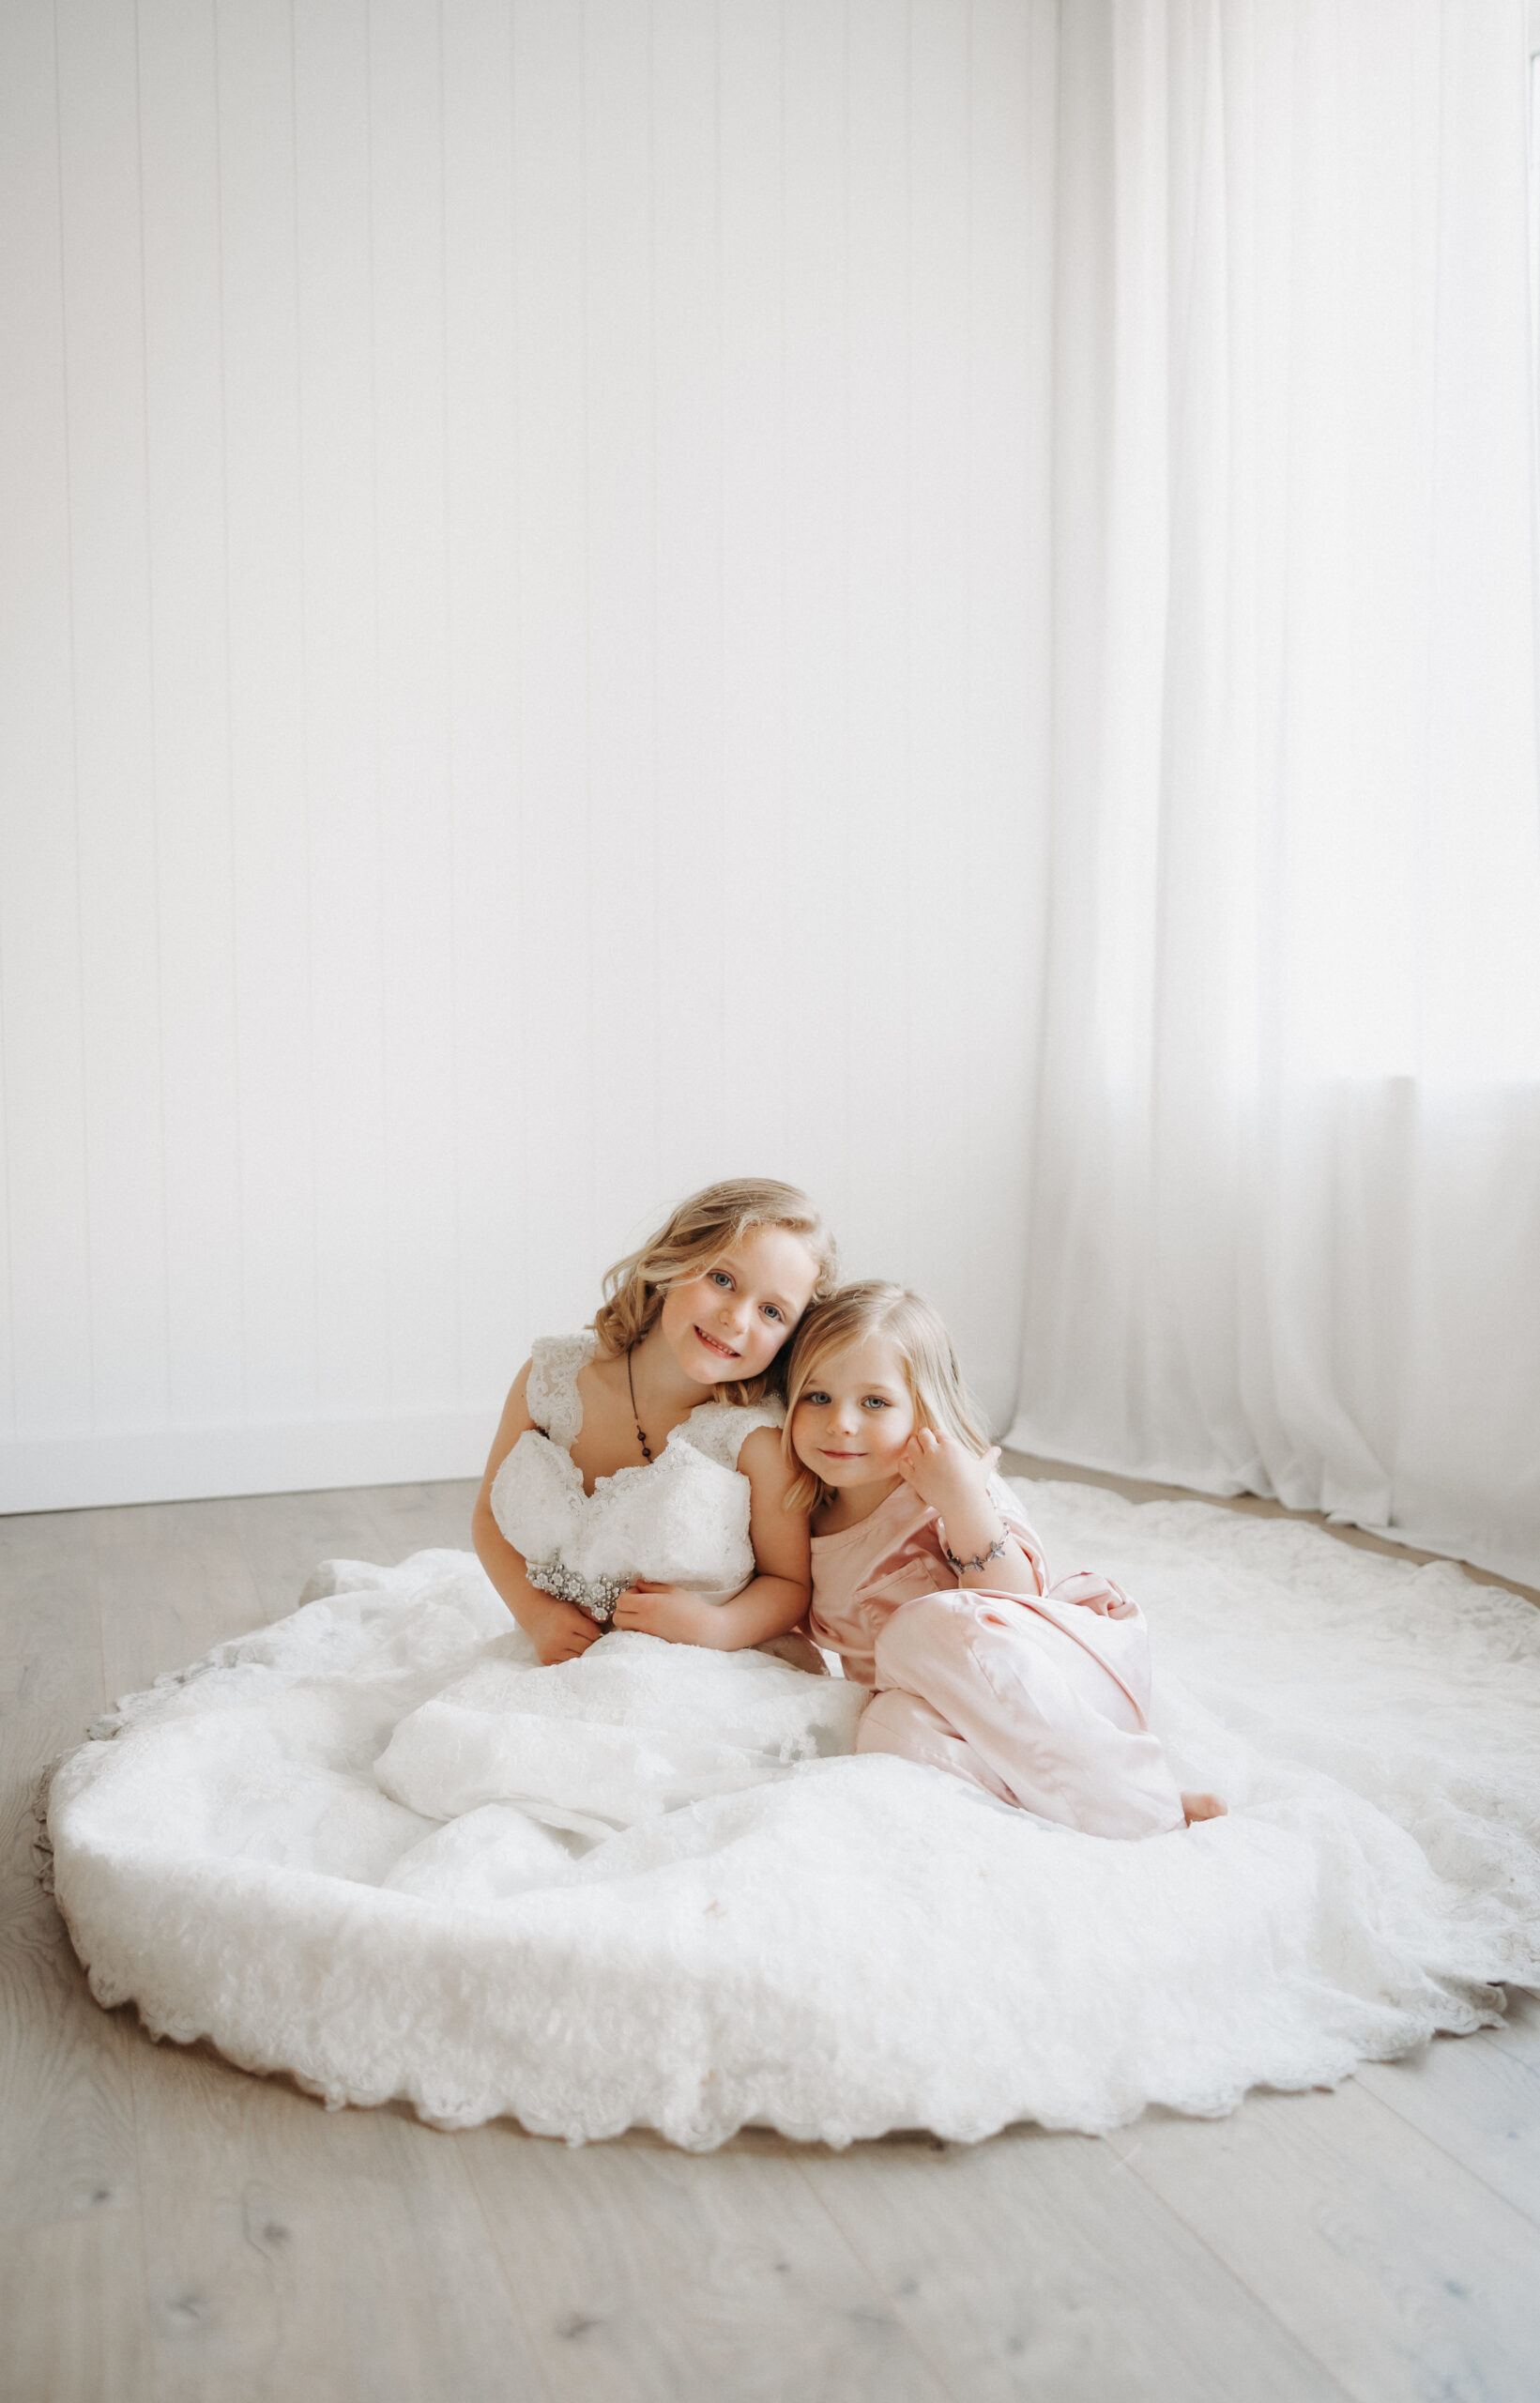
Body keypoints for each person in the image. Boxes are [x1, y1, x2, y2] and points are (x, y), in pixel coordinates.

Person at [785, 1281, 1226, 1837]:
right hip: (950, 1716)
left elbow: (1016, 1606)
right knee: (885, 1728)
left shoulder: (954, 1490)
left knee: (922, 1626)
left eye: (874, 1402)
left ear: (924, 1408)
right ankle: (1069, 1805)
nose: (840, 1423)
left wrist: (961, 1500)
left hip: (1046, 1683)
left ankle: (1141, 1803)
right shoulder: (801, 1515)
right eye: (818, 1397)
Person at [471, 1176, 838, 1667]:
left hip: (698, 1668)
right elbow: (488, 1519)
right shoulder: (549, 1376)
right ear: (675, 1260)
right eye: (723, 1280)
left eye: (771, 1311)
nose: (736, 1318)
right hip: (551, 1655)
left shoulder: (756, 1438)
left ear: (789, 1340)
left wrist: (716, 1626)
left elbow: (790, 1585)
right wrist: (536, 1615)